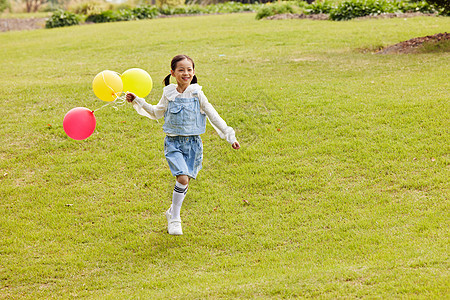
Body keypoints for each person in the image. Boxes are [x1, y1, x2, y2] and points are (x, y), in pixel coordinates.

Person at [126, 54, 240, 236]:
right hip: (173, 143)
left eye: (189, 70)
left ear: (193, 72)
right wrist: (138, 100)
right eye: (181, 70)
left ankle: (171, 210)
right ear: (172, 73)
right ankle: (175, 217)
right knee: (182, 178)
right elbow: (156, 113)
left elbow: (213, 116)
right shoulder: (168, 93)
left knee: (185, 182)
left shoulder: (197, 94)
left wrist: (230, 136)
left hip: (193, 145)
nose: (185, 73)